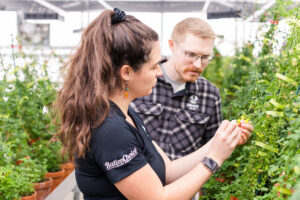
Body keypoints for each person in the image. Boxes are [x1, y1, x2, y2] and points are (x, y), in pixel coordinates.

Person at [56, 8, 253, 200]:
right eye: (153, 66)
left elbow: (168, 170)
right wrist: (214, 159)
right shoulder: (110, 130)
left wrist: (220, 141)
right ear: (126, 73)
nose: (159, 73)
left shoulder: (128, 115)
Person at [131, 17, 222, 161]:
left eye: (205, 57)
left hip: (184, 182)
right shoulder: (142, 81)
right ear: (172, 45)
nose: (198, 65)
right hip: (136, 177)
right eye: (191, 54)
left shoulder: (209, 94)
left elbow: (213, 148)